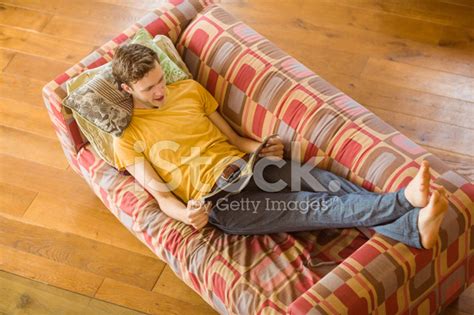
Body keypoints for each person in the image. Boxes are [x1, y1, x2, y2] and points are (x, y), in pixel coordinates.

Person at [112, 44, 448, 250]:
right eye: (149, 88)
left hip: (247, 166)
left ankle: (411, 228)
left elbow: (234, 139)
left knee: (328, 183)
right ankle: (404, 202)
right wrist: (187, 215)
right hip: (219, 200)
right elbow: (163, 198)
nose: (160, 91)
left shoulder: (187, 89)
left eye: (160, 80)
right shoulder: (126, 136)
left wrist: (262, 147)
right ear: (127, 88)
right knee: (311, 205)